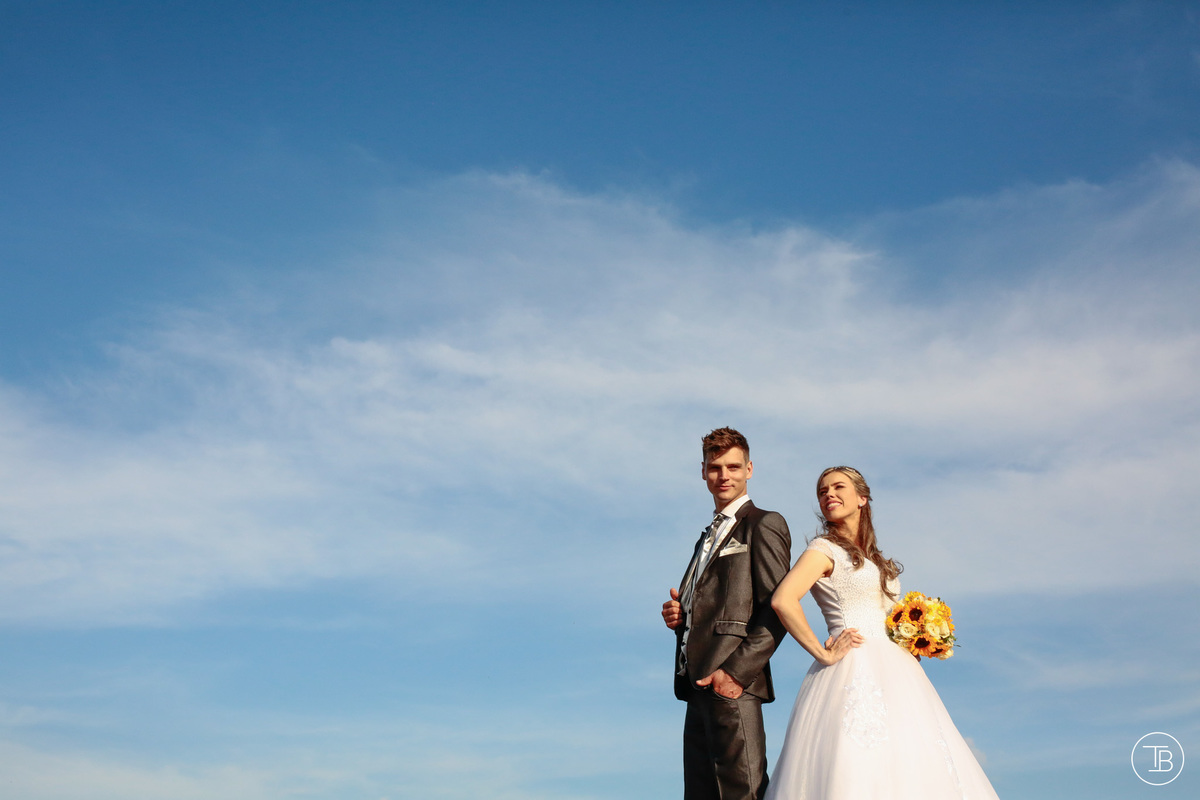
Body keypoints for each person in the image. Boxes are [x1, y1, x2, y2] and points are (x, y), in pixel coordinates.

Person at [764, 466, 1000, 800]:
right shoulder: (823, 549)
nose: (829, 494)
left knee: (907, 763)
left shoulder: (877, 560)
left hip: (899, 671)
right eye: (822, 491)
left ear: (862, 498)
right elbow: (783, 600)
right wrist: (823, 651)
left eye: (838, 487)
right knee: (854, 760)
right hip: (851, 664)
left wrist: (919, 635)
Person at [661, 427, 793, 800]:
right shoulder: (705, 537)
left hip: (734, 684)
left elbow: (777, 609)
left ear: (749, 469)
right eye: (715, 467)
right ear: (702, 471)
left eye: (733, 467)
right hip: (695, 683)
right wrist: (680, 616)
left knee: (742, 793)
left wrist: (733, 674)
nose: (724, 475)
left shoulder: (764, 524)